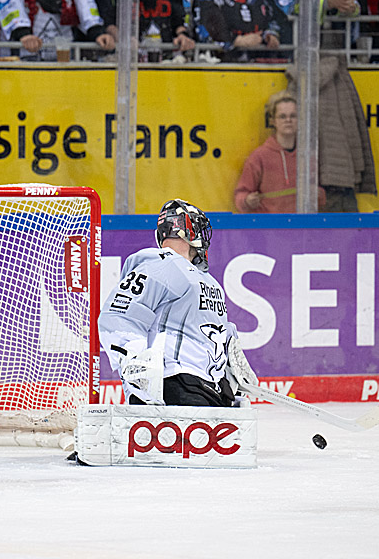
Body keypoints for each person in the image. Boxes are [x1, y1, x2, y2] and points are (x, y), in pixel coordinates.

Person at [98, 199, 238, 407]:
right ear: (188, 230)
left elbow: (213, 329)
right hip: (176, 382)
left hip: (211, 388)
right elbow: (119, 315)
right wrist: (137, 364)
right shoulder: (159, 264)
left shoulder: (208, 281)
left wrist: (232, 366)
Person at [284, 56, 377, 211]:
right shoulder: (339, 79)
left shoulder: (297, 82)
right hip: (341, 178)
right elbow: (357, 132)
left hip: (307, 181)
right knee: (349, 232)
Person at [234, 92, 326, 214]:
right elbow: (240, 195)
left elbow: (322, 198)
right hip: (268, 228)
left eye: (293, 116)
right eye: (282, 116)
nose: (288, 120)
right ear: (273, 121)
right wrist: (247, 201)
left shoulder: (308, 156)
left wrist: (318, 195)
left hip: (302, 228)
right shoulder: (259, 157)